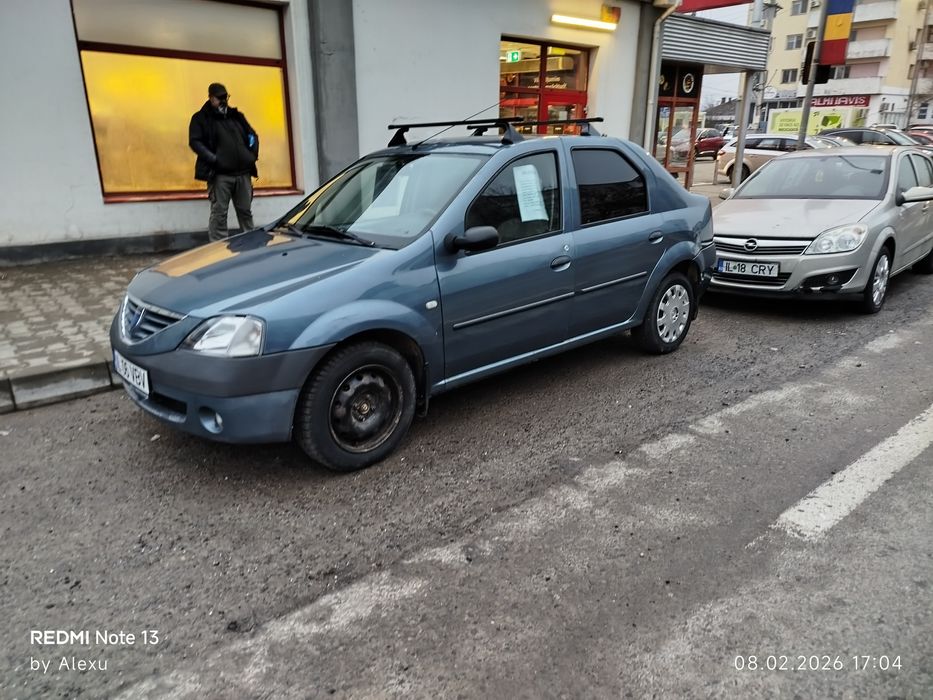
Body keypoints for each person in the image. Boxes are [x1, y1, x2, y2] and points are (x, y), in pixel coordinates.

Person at [188, 83, 259, 241]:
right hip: (220, 175)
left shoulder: (236, 116)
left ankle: (251, 243)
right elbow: (195, 142)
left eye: (225, 97)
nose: (223, 101)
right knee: (219, 213)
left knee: (245, 211)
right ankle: (218, 247)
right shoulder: (201, 118)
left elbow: (252, 135)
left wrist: (251, 155)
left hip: (243, 173)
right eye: (219, 98)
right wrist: (214, 159)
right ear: (211, 98)